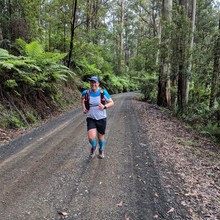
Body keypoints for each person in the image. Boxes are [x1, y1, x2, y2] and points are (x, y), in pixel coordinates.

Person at [81, 76, 114, 158]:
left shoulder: (103, 92)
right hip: (91, 118)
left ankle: (101, 149)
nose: (93, 84)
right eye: (92, 82)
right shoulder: (86, 92)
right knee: (91, 137)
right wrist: (84, 108)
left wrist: (104, 106)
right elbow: (81, 99)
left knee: (101, 137)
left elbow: (111, 102)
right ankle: (93, 147)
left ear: (98, 83)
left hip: (101, 118)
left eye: (95, 82)